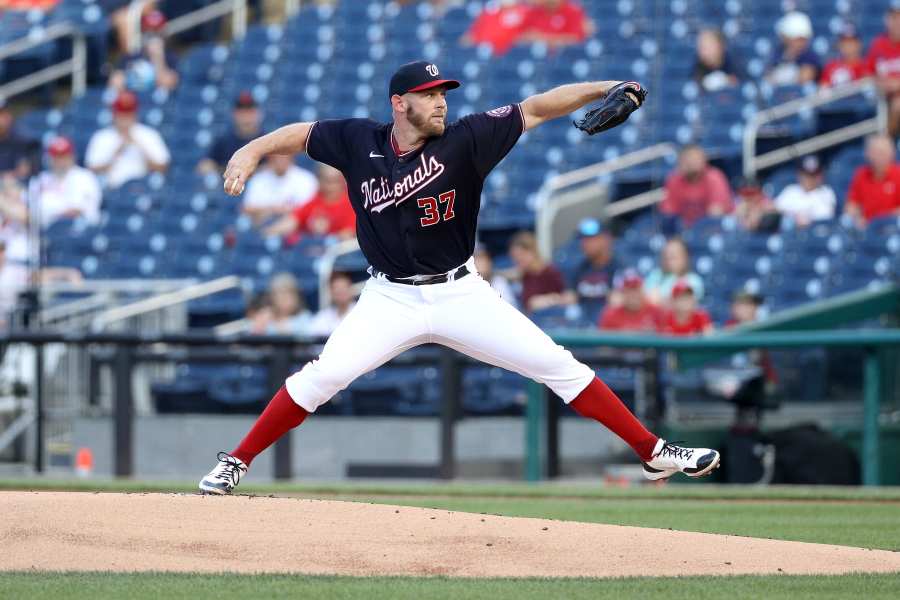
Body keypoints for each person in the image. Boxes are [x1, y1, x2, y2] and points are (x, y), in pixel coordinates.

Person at [199, 60, 719, 495]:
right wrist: (251, 150)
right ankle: (236, 462)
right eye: (429, 95)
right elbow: (302, 134)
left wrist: (604, 87)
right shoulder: (359, 140)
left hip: (460, 292)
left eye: (444, 92)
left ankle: (654, 452)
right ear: (399, 103)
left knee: (558, 365)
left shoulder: (468, 138)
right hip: (389, 298)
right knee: (323, 377)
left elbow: (537, 106)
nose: (442, 101)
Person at [85, 91, 170, 188]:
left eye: (128, 114)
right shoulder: (101, 137)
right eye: (121, 114)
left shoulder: (149, 134)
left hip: (141, 189)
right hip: (110, 188)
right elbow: (91, 169)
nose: (124, 118)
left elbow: (163, 167)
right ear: (114, 114)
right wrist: (116, 152)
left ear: (135, 114)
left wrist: (139, 146)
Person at [264, 164, 353, 242]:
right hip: (311, 253)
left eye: (336, 181)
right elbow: (292, 221)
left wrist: (327, 236)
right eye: (327, 181)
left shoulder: (352, 203)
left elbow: (349, 235)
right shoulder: (315, 201)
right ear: (319, 181)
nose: (331, 186)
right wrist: (268, 232)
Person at [32, 137, 102, 228]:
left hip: (79, 232)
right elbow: (28, 208)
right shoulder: (41, 178)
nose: (60, 161)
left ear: (72, 156)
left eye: (63, 156)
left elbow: (75, 212)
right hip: (46, 232)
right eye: (56, 156)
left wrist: (45, 214)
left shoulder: (84, 177)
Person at [659, 144, 733, 227]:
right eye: (688, 158)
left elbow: (716, 213)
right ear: (680, 162)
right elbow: (668, 212)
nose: (692, 162)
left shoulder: (714, 177)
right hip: (685, 230)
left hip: (713, 229)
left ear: (704, 160)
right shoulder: (673, 180)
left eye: (696, 158)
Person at [108, 10, 179, 94]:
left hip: (158, 102)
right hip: (134, 100)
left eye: (157, 33)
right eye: (149, 33)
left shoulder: (171, 58)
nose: (153, 38)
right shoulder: (131, 56)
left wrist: (157, 58)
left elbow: (168, 84)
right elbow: (115, 83)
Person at [241, 154, 318, 225]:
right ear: (270, 159)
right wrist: (272, 209)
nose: (281, 160)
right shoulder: (259, 178)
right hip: (263, 221)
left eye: (284, 156)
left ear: (292, 158)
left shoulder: (306, 178)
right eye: (277, 157)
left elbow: (311, 209)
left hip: (295, 225)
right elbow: (247, 208)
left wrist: (284, 210)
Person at [198, 91, 262, 175]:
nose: (246, 116)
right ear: (234, 114)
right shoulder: (225, 140)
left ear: (258, 114)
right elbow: (203, 166)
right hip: (228, 185)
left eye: (249, 111)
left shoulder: (265, 140)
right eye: (242, 112)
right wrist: (227, 170)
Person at [509, 230, 573, 313]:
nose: (518, 259)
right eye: (515, 257)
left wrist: (547, 300)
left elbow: (568, 297)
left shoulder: (550, 272)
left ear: (532, 251)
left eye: (521, 255)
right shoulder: (525, 274)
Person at [845, 134, 900, 227]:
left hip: (891, 227)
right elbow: (851, 205)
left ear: (892, 154)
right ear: (867, 154)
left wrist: (880, 222)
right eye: (876, 152)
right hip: (866, 229)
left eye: (883, 152)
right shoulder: (861, 174)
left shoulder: (898, 174)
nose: (880, 157)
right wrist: (856, 218)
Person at [569, 217, 617, 320]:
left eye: (591, 239)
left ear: (605, 239)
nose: (585, 244)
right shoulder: (580, 268)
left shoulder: (619, 267)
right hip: (582, 325)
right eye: (583, 239)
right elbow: (571, 297)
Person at [774, 155, 837, 227]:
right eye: (806, 175)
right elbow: (774, 209)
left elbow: (826, 218)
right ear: (799, 175)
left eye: (814, 175)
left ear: (820, 175)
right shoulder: (791, 190)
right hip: (789, 233)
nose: (810, 180)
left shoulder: (826, 192)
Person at [867, 2, 900, 136]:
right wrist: (881, 83)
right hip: (883, 99)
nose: (898, 22)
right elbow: (867, 73)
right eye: (894, 18)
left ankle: (885, 141)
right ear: (887, 20)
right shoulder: (878, 44)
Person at [643, 237, 705, 306]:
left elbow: (685, 306)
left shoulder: (693, 280)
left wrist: (660, 301)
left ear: (685, 258)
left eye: (673, 256)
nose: (668, 260)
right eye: (665, 256)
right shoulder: (655, 275)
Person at [766, 11, 821, 87]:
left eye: (802, 40)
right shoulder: (778, 54)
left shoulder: (810, 57)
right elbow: (768, 79)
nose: (800, 43)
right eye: (797, 39)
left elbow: (805, 77)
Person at [518, 0, 593, 50]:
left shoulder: (573, 10)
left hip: (565, 57)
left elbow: (576, 38)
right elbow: (523, 36)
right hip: (539, 56)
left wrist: (544, 38)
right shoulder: (533, 11)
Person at [308, 272, 357, 337]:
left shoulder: (360, 312)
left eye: (344, 288)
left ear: (351, 289)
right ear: (331, 292)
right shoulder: (324, 315)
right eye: (337, 289)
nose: (341, 292)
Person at [0, 100, 40, 180]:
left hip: (17, 187)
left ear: (8, 116)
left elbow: (24, 173)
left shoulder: (24, 139)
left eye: (1, 114)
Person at [820, 24, 869, 88]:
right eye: (844, 42)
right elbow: (823, 90)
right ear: (839, 44)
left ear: (859, 44)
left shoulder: (866, 66)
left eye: (851, 42)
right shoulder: (831, 67)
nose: (848, 46)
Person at [692, 28, 740, 92]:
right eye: (701, 46)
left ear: (720, 46)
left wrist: (725, 80)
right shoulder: (695, 68)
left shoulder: (734, 64)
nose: (703, 51)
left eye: (709, 46)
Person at [0, 240, 27, 331]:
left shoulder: (14, 272)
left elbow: (36, 276)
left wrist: (66, 274)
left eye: (2, 252)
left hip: (11, 318)